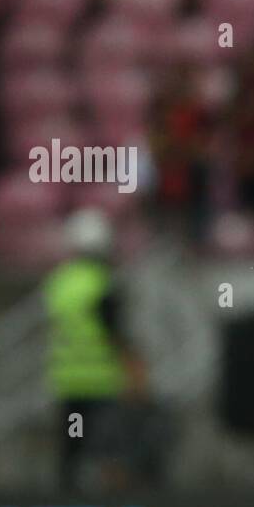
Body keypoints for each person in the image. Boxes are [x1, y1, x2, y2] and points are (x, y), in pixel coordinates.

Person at [44, 209, 146, 491]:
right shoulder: (103, 282)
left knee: (71, 449)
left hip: (67, 379)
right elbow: (114, 331)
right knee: (109, 450)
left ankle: (66, 504)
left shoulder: (60, 282)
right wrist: (134, 369)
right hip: (101, 381)